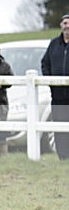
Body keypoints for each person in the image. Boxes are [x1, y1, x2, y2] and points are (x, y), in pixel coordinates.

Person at [41, 13, 69, 160]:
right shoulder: (53, 44)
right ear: (61, 25)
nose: (67, 26)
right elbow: (44, 63)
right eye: (65, 23)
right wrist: (50, 81)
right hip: (57, 95)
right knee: (59, 126)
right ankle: (63, 157)